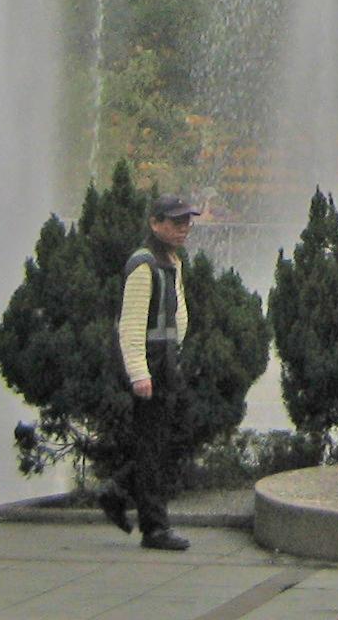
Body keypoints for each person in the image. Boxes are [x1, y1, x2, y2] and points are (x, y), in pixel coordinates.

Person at [102, 194, 199, 552]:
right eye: (176, 222)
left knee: (169, 440)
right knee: (155, 446)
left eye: (187, 222)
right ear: (155, 224)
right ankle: (155, 528)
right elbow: (130, 326)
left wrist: (178, 354)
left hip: (166, 365)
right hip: (151, 369)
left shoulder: (171, 260)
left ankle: (118, 491)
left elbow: (179, 313)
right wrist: (139, 374)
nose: (183, 228)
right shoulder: (143, 265)